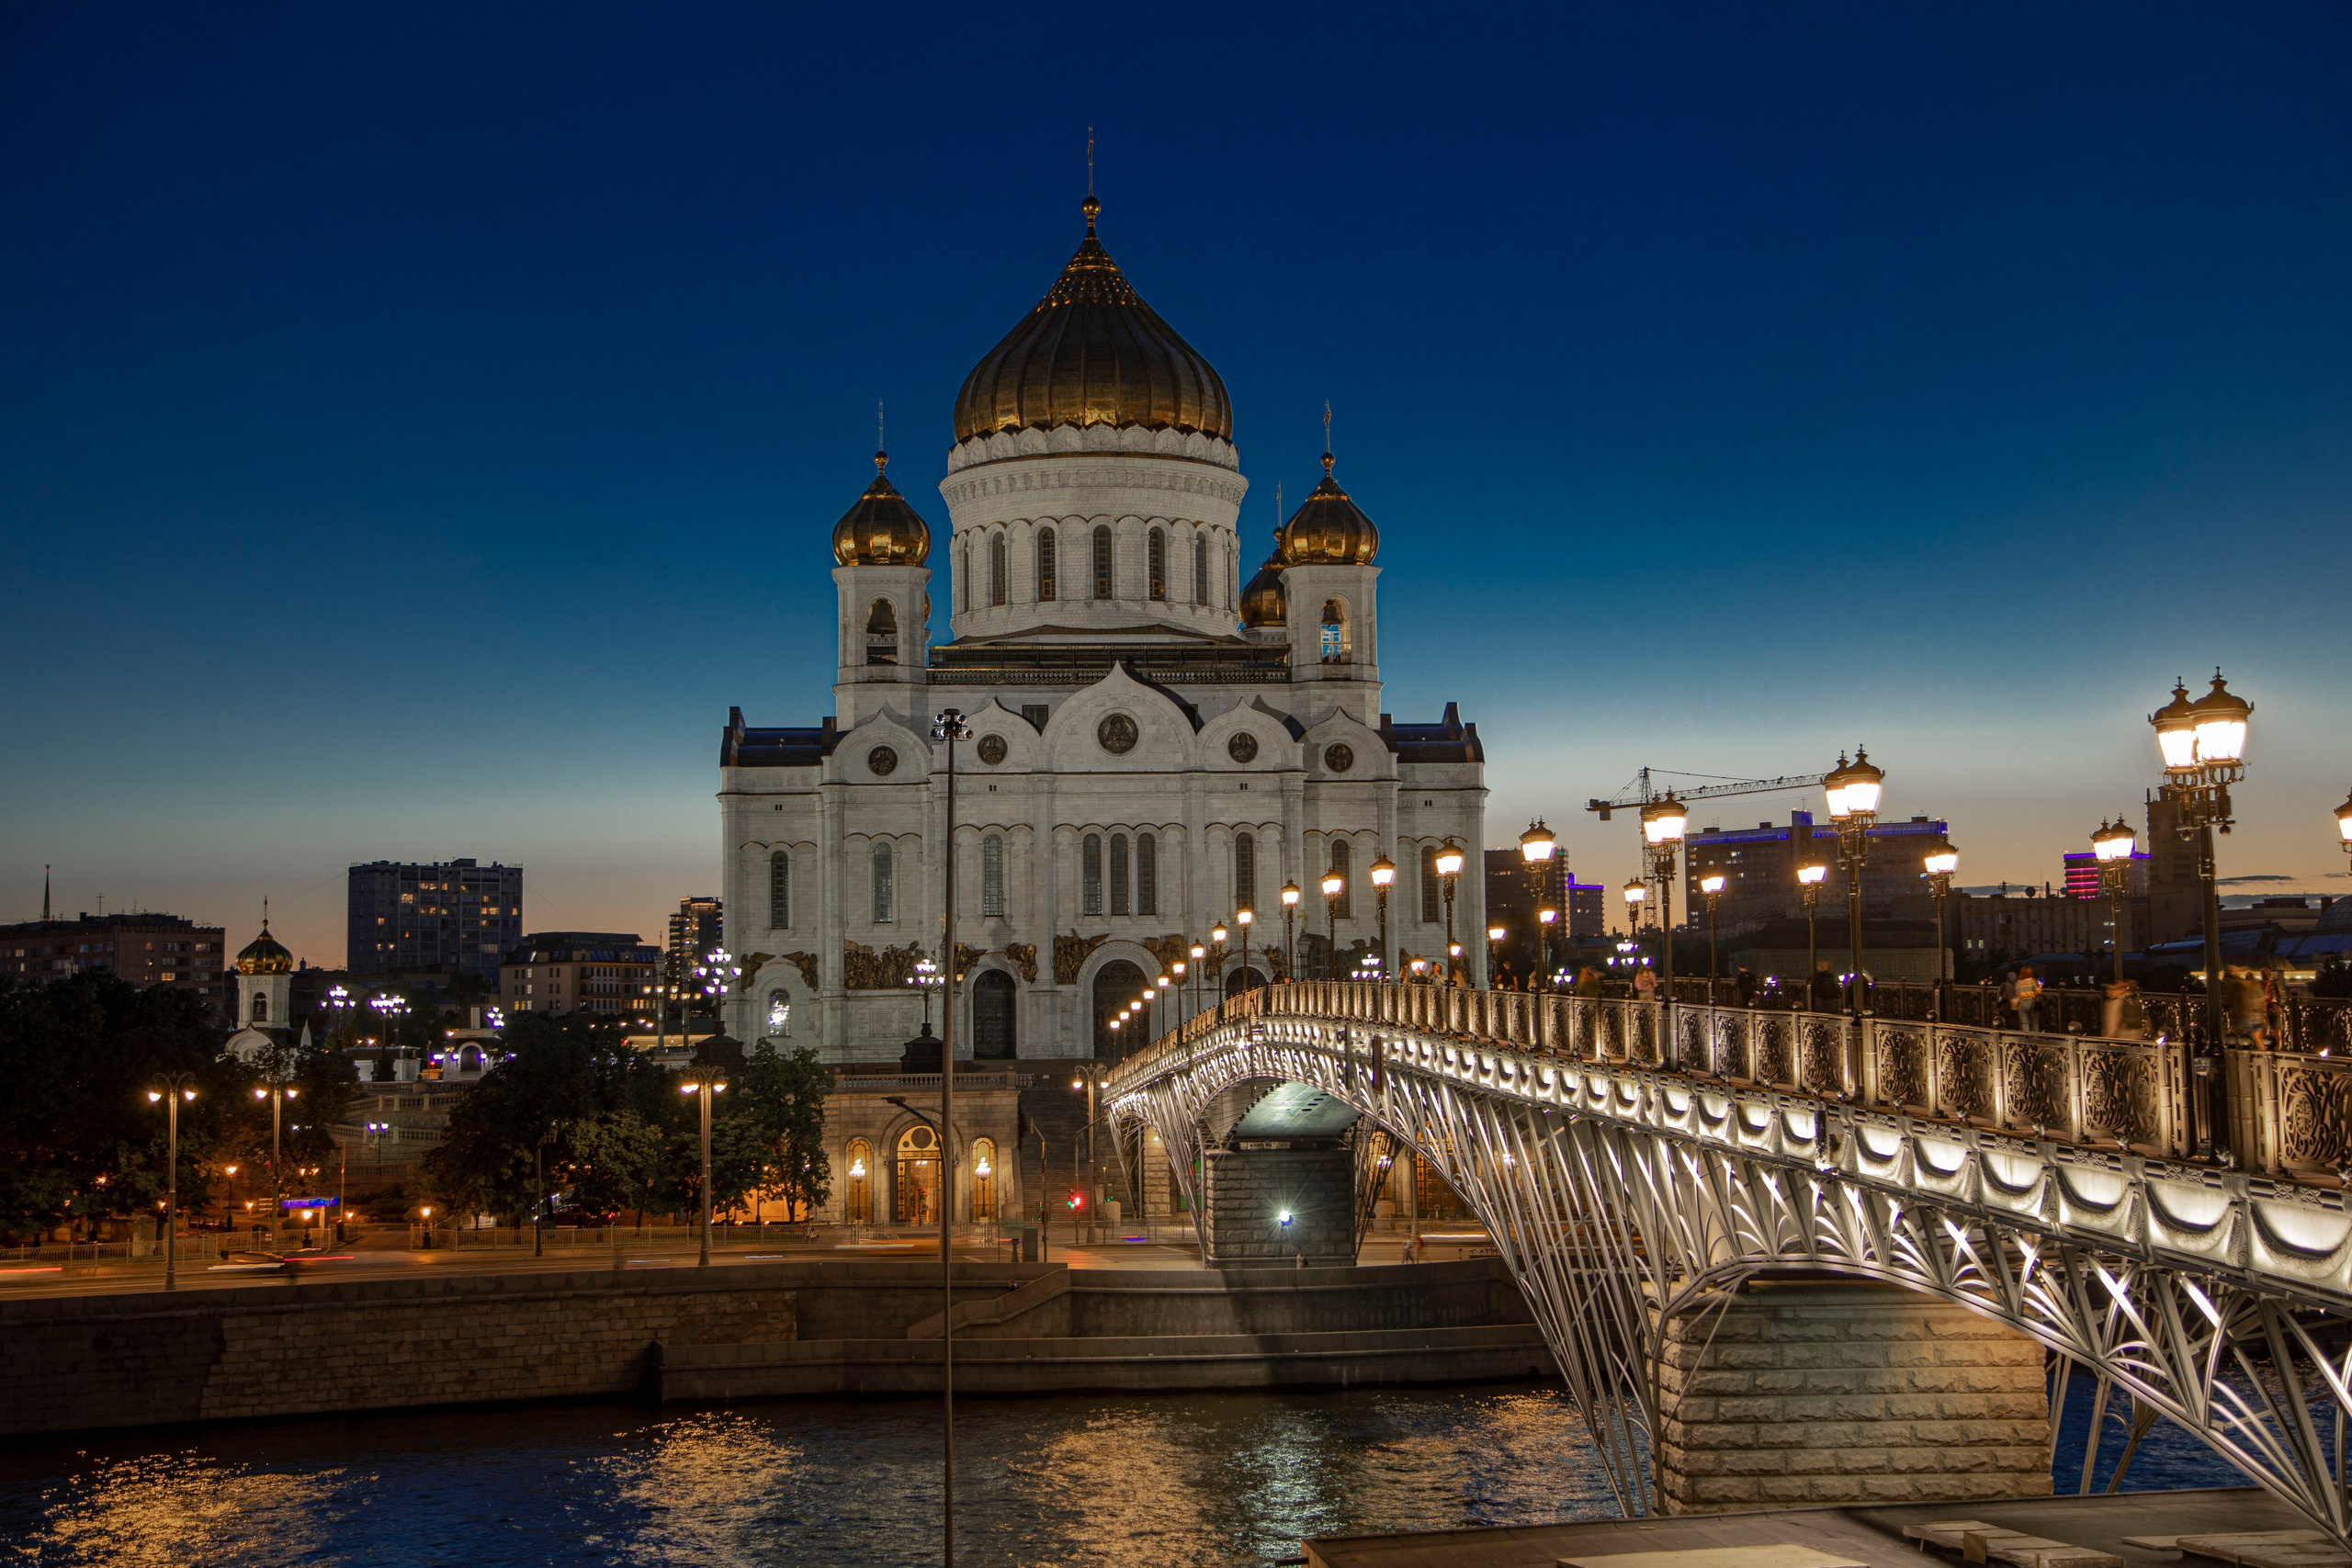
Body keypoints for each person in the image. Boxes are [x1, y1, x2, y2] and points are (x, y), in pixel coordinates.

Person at [2013, 966, 2042, 1033]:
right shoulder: (2031, 980)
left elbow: (2017, 994)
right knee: (2034, 1022)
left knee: (2024, 1023)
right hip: (2032, 1002)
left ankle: (2026, 1037)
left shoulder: (2017, 983)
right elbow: (2038, 991)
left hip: (2022, 1004)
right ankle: (2035, 1038)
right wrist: (2041, 985)